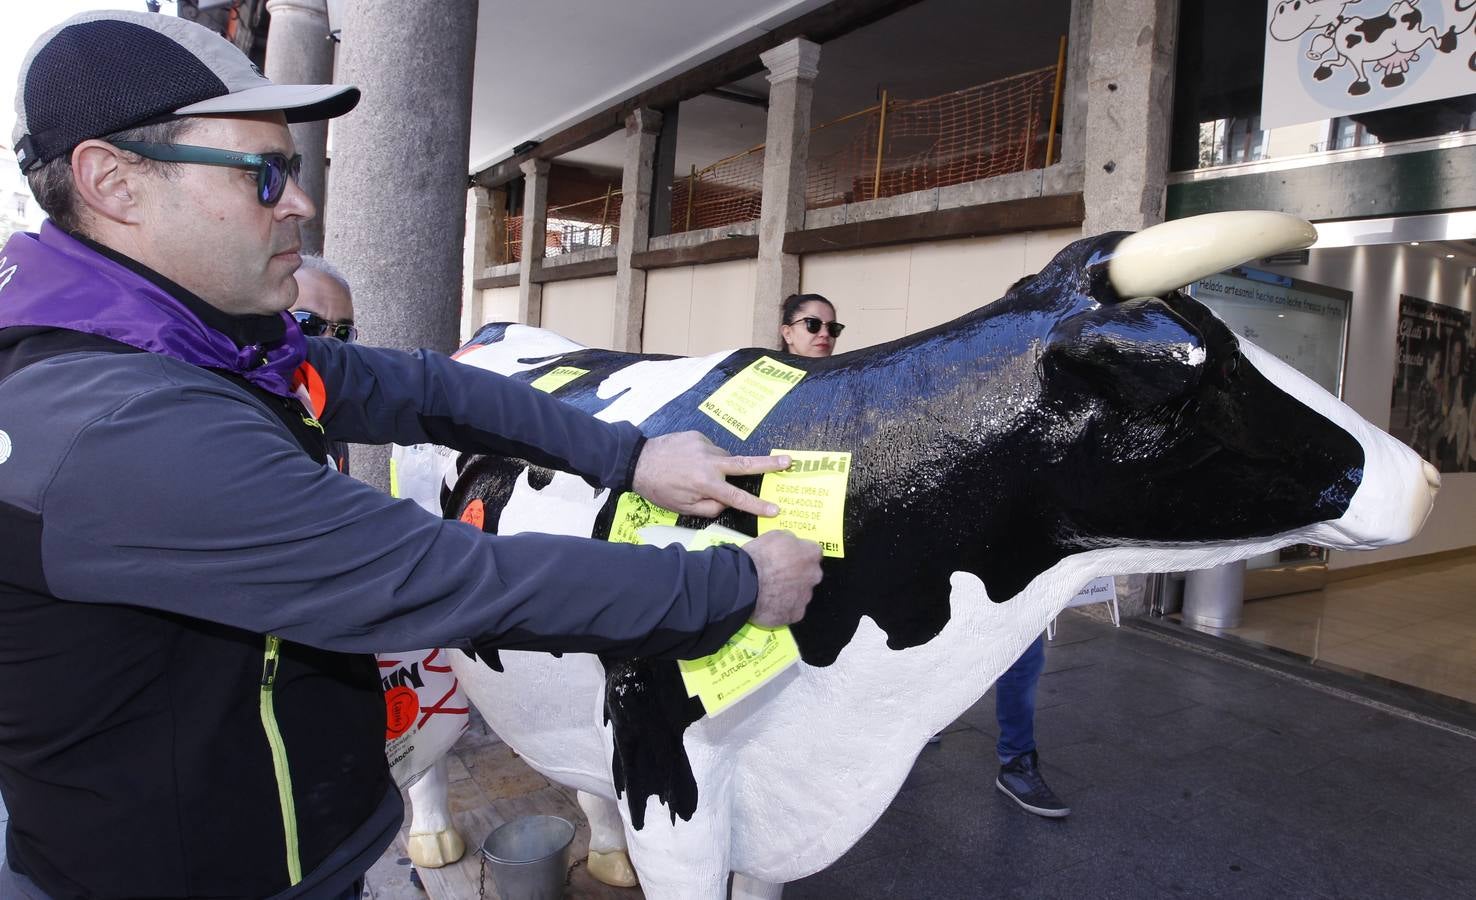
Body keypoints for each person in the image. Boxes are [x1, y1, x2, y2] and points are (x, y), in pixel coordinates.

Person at [0, 11, 822, 899]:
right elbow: (444, 577)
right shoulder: (117, 424)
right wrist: (737, 587)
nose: (301, 203)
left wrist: (633, 457)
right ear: (114, 182)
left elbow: (429, 391)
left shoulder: (203, 341)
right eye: (265, 173)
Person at [777, 291, 1069, 818]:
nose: (825, 334)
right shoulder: (767, 386)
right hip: (794, 551)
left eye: (833, 327)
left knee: (1010, 651)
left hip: (880, 547)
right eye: (813, 324)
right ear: (787, 331)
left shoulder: (860, 382)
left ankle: (1012, 758)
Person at [291, 254, 356, 472]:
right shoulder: (249, 410)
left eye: (343, 333)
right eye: (307, 323)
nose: (328, 342)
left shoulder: (330, 412)